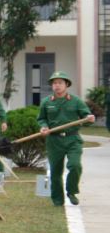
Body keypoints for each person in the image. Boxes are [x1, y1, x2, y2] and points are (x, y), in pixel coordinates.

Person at [38, 71, 95, 206]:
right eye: (54, 83)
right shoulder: (46, 102)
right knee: (56, 172)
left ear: (66, 85)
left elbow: (86, 117)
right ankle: (57, 200)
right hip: (54, 140)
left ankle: (71, 191)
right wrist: (43, 127)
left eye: (60, 83)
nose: (56, 85)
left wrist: (90, 118)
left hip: (72, 139)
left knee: (75, 165)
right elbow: (41, 119)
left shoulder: (76, 101)